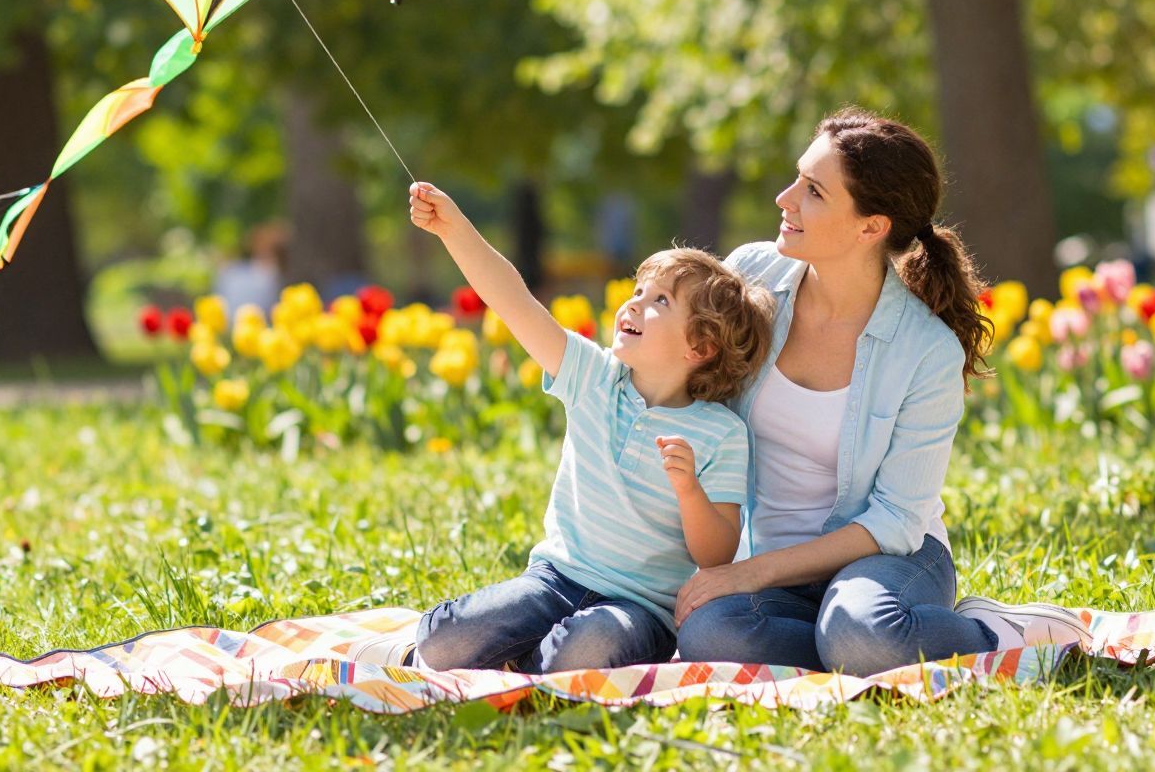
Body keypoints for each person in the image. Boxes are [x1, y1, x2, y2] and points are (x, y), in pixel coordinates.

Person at [674, 108, 1090, 676]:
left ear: (872, 227)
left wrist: (749, 574)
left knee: (861, 633)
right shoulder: (752, 276)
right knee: (709, 633)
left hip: (891, 557)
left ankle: (993, 632)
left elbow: (895, 521)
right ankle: (843, 646)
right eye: (798, 177)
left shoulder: (925, 349)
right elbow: (680, 376)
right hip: (773, 560)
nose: (785, 197)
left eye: (813, 191)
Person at [406, 181, 773, 672]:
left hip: (638, 610)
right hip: (554, 579)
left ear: (700, 348)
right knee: (442, 644)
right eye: (638, 291)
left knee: (590, 645)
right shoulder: (593, 376)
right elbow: (513, 301)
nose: (634, 304)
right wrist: (454, 229)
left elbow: (718, 553)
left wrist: (688, 489)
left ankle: (530, 664)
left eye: (660, 301)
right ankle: (529, 663)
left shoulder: (721, 432)